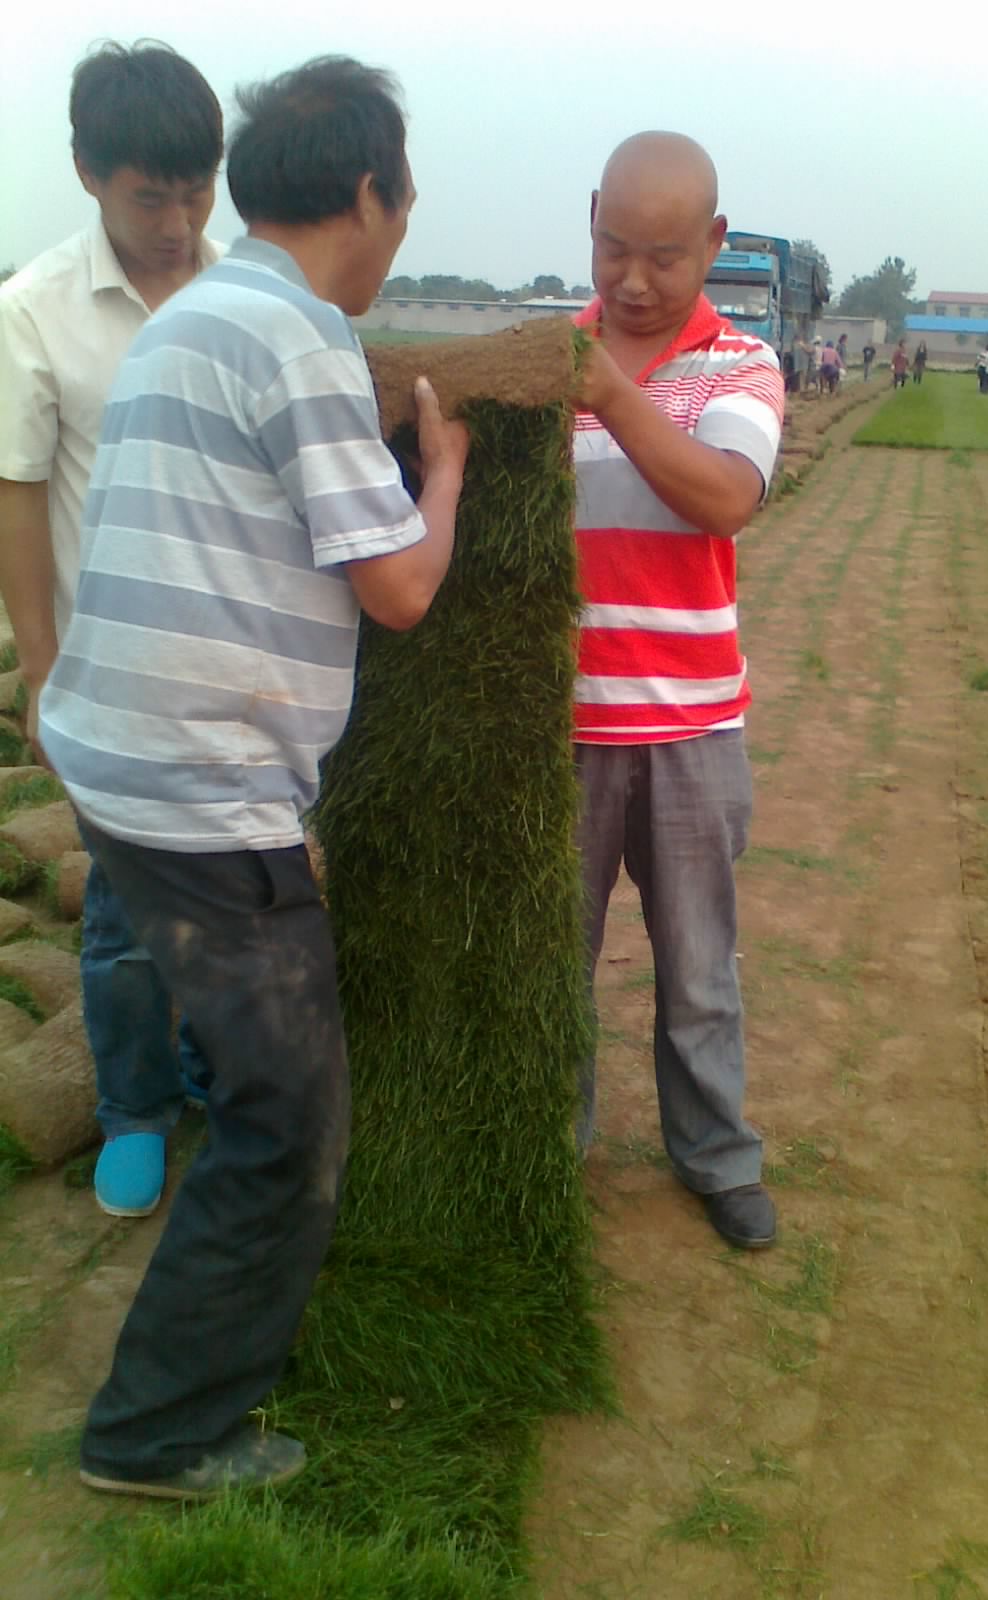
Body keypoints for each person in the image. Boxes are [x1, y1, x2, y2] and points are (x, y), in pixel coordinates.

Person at [39, 55, 469, 1500]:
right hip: (196, 791)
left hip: (115, 767)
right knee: (291, 1121)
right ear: (368, 192)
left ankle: (195, 1356)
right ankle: (155, 1437)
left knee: (251, 1073)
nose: (399, 229)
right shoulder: (294, 336)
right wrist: (449, 469)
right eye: (401, 203)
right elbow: (403, 589)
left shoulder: (190, 317)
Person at [0, 42, 226, 1221]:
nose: (180, 221)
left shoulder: (241, 294)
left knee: (233, 904)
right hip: (110, 682)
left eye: (198, 191)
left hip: (231, 682)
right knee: (127, 921)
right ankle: (137, 1106)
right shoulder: (35, 314)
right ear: (88, 170)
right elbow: (19, 495)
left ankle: (208, 1078)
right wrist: (42, 674)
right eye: (153, 196)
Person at [572, 130, 783, 1251]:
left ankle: (714, 1155)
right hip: (558, 728)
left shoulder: (740, 366)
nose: (635, 281)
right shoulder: (542, 360)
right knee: (551, 959)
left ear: (712, 243)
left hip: (693, 726)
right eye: (615, 250)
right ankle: (546, 1152)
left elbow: (724, 496)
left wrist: (608, 391)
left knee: (698, 966)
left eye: (665, 256)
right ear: (591, 219)